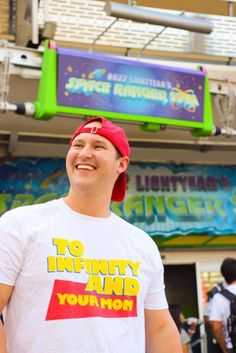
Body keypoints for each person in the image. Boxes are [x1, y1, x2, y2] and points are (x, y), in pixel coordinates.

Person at [0, 116, 182, 353]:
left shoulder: (141, 244)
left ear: (121, 164)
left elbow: (160, 329)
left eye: (98, 146)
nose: (85, 153)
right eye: (78, 145)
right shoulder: (20, 224)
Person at [209, 257, 236, 353]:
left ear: (224, 275)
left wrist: (225, 350)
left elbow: (216, 328)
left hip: (232, 346)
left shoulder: (218, 297)